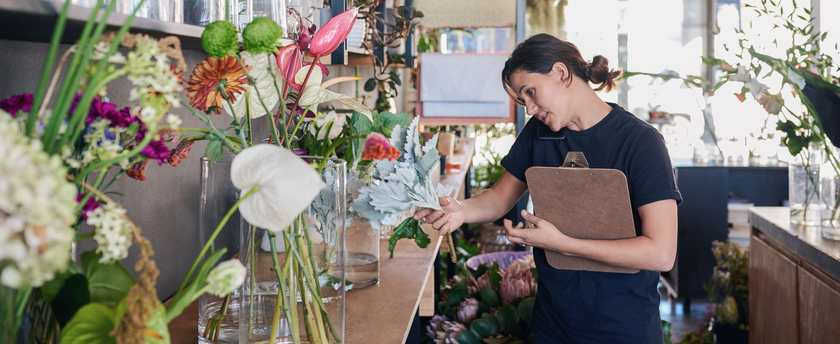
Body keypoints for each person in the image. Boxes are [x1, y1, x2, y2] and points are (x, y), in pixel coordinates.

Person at [413, 33, 682, 343]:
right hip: (553, 327)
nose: (529, 108)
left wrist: (564, 243)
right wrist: (461, 210)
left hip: (622, 329)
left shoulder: (640, 142)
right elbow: (500, 197)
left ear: (560, 73)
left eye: (530, 92)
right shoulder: (540, 134)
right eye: (522, 98)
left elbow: (660, 253)